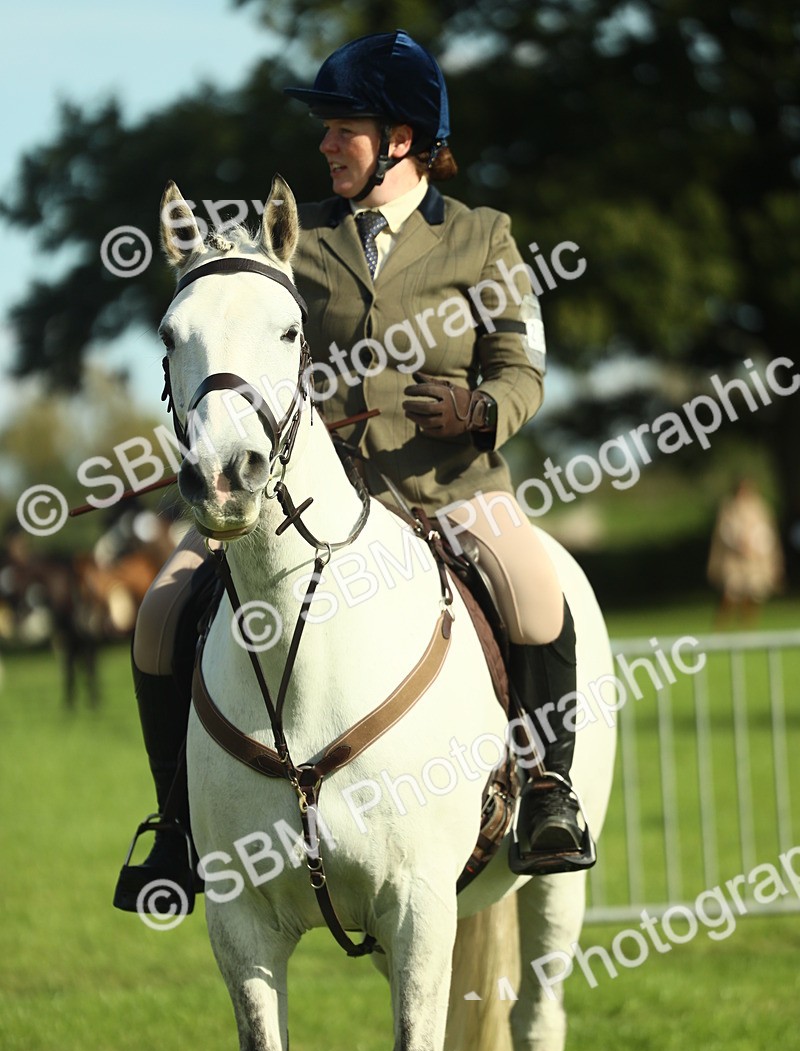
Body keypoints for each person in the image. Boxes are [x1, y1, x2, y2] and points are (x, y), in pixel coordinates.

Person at [115, 30, 594, 913]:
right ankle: (177, 828)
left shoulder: (487, 240)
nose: (326, 144)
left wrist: (483, 412)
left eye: (346, 128)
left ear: (402, 139)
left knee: (536, 593)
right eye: (328, 129)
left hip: (453, 491)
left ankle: (548, 795)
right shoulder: (294, 241)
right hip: (306, 504)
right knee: (158, 613)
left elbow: (523, 370)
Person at [707, 476, 785, 627]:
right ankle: (721, 625)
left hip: (755, 560)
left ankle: (748, 624)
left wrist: (758, 547)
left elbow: (766, 532)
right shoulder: (729, 508)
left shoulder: (760, 507)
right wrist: (739, 544)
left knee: (755, 592)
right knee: (732, 592)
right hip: (733, 559)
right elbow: (724, 532)